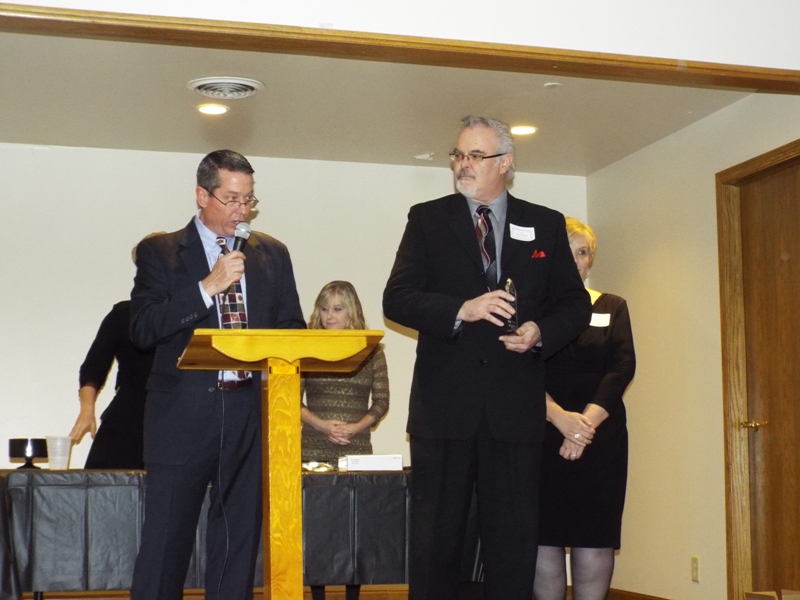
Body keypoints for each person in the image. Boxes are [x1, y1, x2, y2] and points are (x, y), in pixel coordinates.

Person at [382, 116, 592, 600]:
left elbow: (574, 304)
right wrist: (462, 309)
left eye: (475, 155)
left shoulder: (545, 223)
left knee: (512, 546)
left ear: (505, 163)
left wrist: (540, 333)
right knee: (435, 544)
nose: (463, 165)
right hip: (443, 412)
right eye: (458, 155)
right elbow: (397, 298)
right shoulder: (428, 219)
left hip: (514, 412)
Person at [128, 149, 305, 600]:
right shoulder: (161, 251)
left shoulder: (273, 254)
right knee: (166, 542)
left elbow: (292, 328)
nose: (242, 211)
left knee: (237, 545)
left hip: (249, 413)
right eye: (231, 199)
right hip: (181, 415)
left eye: (249, 200)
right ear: (202, 195)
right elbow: (143, 329)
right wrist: (207, 287)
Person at [533, 217, 636, 600]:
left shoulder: (613, 306)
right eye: (569, 251)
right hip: (542, 433)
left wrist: (583, 427)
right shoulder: (530, 311)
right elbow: (518, 372)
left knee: (594, 534)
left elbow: (622, 367)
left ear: (591, 260)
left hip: (600, 438)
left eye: (584, 252)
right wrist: (560, 419)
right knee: (544, 535)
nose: (577, 260)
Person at [301, 280, 390, 600]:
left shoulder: (371, 351)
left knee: (355, 529)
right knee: (318, 529)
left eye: (337, 309)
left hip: (357, 450)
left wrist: (354, 428)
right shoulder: (306, 347)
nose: (329, 315)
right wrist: (322, 425)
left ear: (351, 311)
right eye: (324, 309)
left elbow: (381, 403)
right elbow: (290, 400)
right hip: (312, 449)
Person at [69, 234, 163, 469]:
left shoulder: (194, 312)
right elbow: (93, 367)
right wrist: (87, 410)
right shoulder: (124, 314)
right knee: (107, 486)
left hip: (178, 417)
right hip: (128, 418)